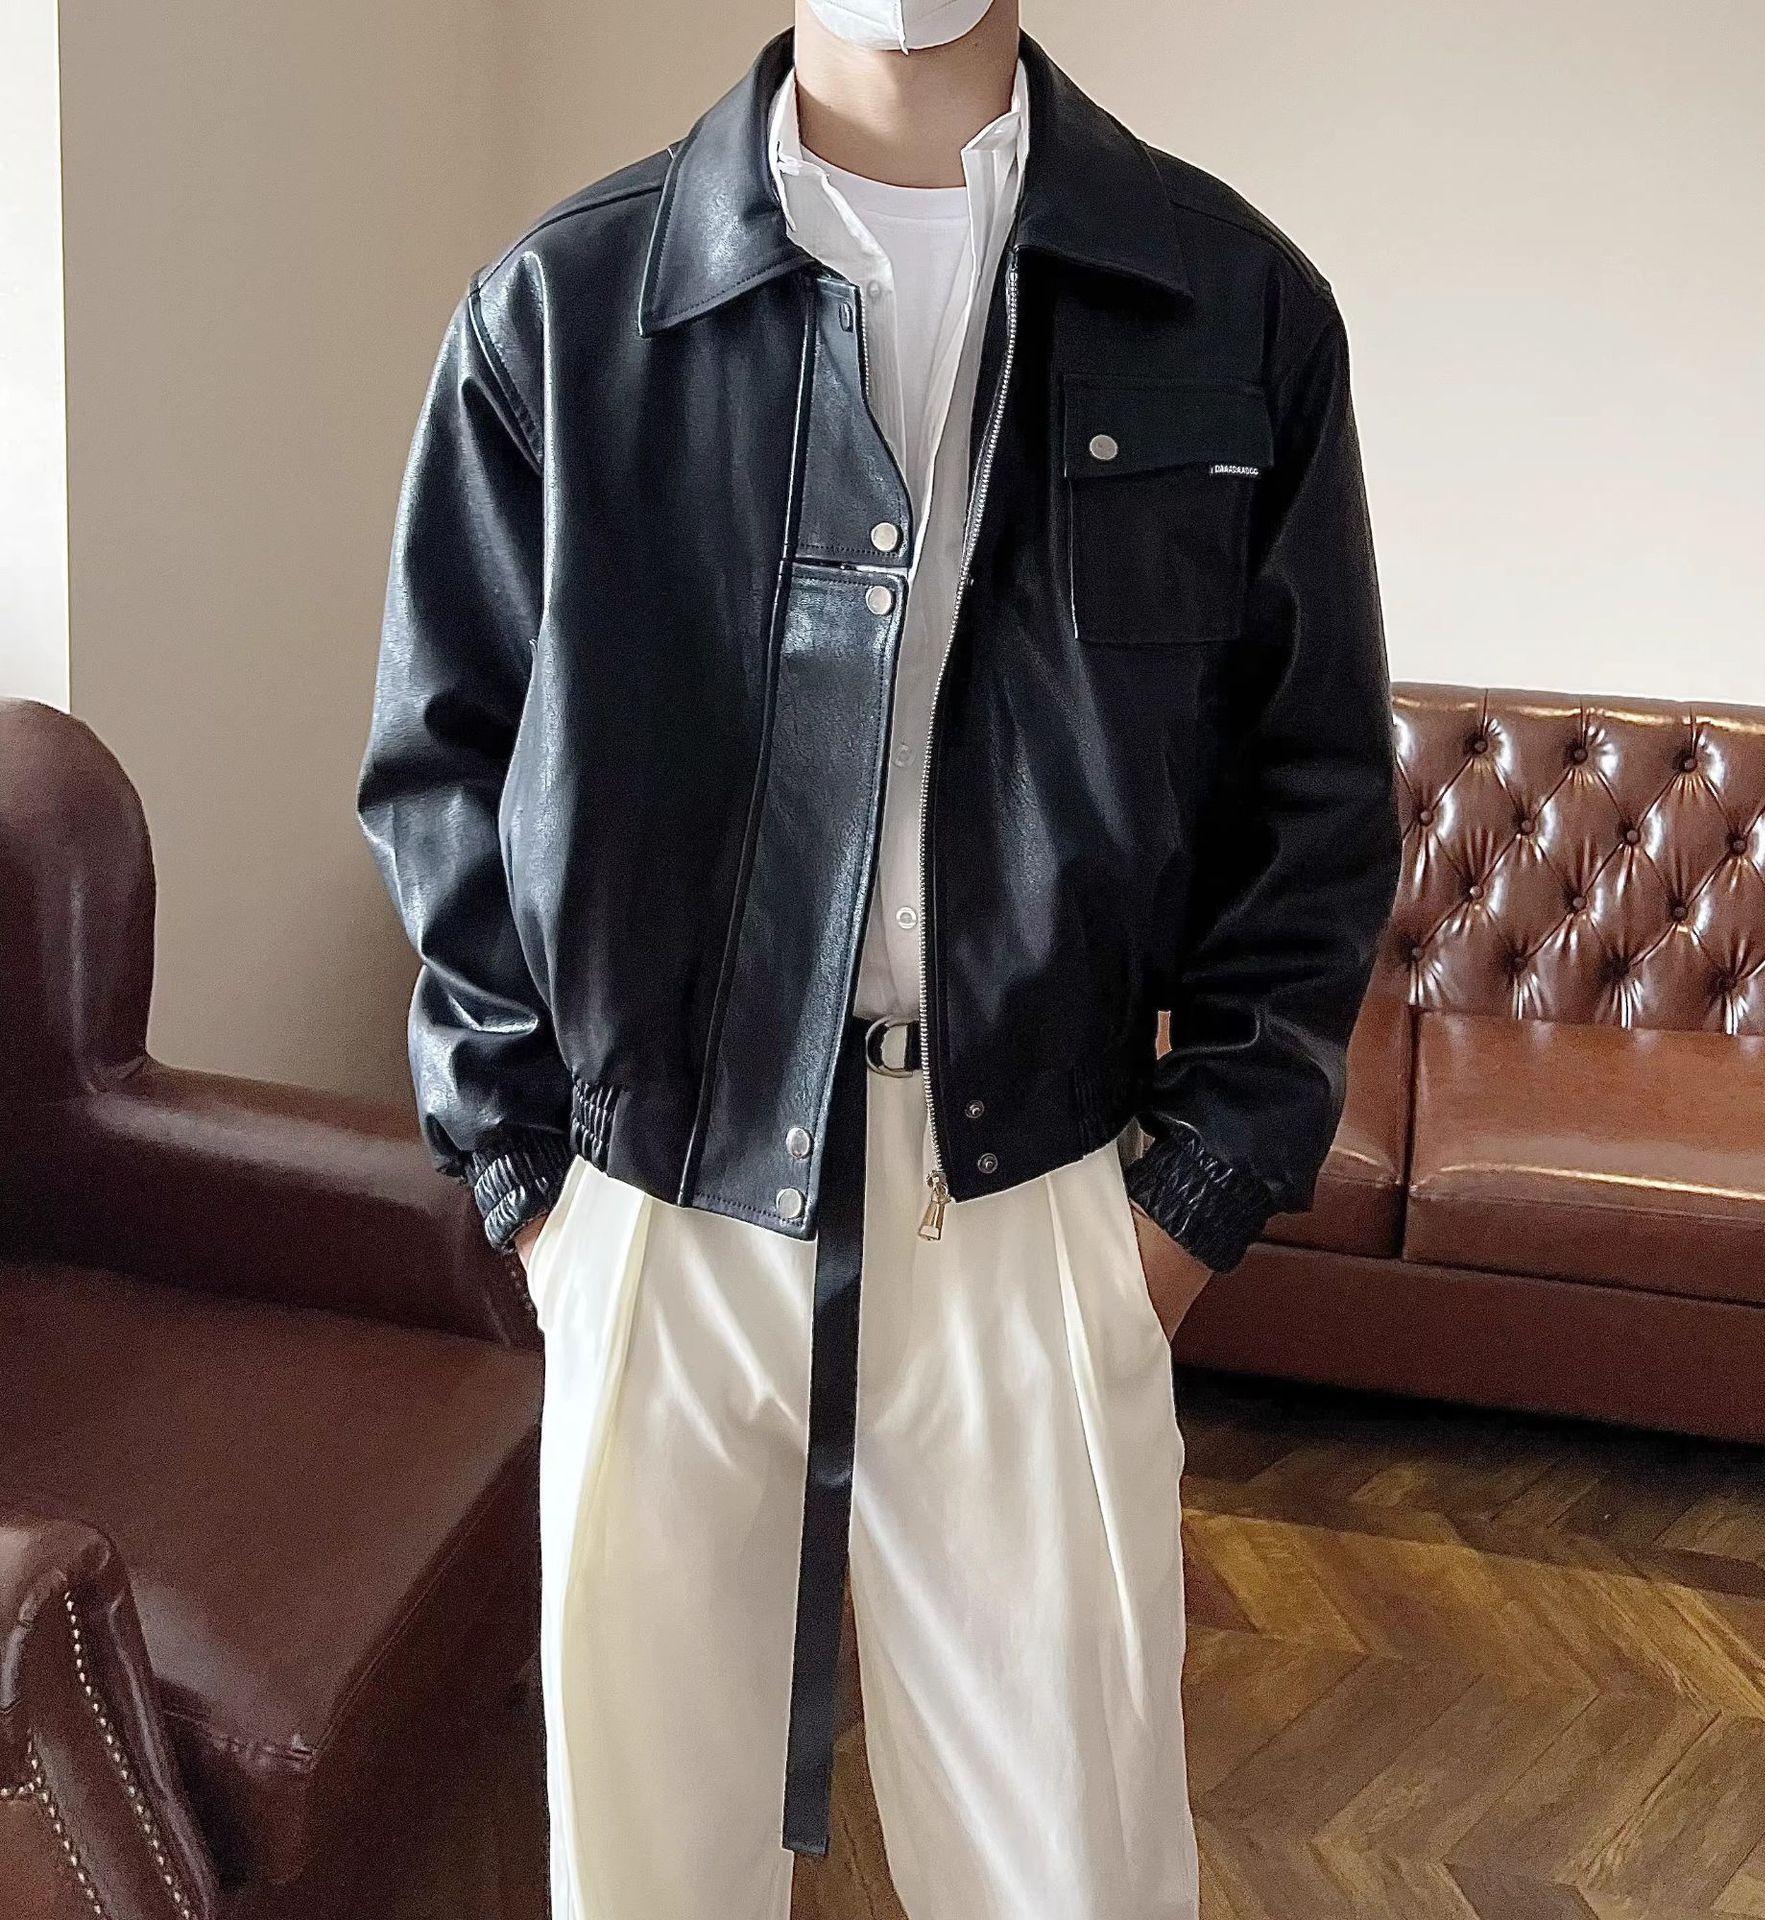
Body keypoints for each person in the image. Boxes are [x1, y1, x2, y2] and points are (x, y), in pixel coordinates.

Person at [354, 1, 1399, 1914]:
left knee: (1073, 1867)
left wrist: (1176, 1212)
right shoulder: (566, 310)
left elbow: (1315, 803)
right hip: (659, 1196)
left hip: (1040, 1195)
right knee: (651, 1870)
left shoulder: (1233, 307)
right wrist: (535, 1193)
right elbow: (442, 770)